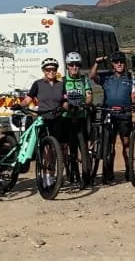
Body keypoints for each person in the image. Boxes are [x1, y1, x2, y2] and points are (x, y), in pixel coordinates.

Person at [89, 51, 135, 185]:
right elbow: (92, 76)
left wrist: (134, 103)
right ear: (112, 64)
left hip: (124, 114)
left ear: (125, 63)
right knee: (108, 145)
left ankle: (129, 170)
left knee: (126, 144)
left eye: (121, 62)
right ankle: (108, 172)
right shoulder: (106, 77)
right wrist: (96, 63)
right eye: (116, 62)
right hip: (109, 114)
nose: (119, 64)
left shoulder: (130, 77)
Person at [20, 58, 68, 188]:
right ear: (43, 71)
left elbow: (64, 100)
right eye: (48, 70)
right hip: (43, 118)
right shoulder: (38, 84)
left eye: (53, 69)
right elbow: (28, 98)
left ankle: (56, 176)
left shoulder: (61, 84)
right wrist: (20, 105)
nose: (51, 72)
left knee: (58, 149)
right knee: (47, 150)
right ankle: (47, 176)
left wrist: (68, 106)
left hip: (57, 118)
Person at [61, 51, 93, 185]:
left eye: (77, 65)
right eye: (71, 65)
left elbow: (89, 94)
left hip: (81, 115)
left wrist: (87, 103)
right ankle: (65, 171)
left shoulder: (84, 79)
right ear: (67, 66)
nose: (74, 67)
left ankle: (86, 174)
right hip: (66, 116)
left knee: (83, 145)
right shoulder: (63, 81)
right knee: (65, 145)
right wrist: (65, 105)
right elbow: (60, 97)